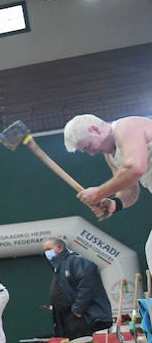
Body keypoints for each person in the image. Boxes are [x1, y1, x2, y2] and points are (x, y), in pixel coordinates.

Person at [64, 114, 152, 269]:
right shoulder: (111, 157)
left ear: (95, 129)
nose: (91, 153)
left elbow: (136, 167)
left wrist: (99, 193)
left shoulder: (126, 127)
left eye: (89, 146)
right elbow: (130, 191)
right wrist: (114, 203)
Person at [43, 237, 113, 343]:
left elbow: (86, 286)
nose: (45, 252)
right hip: (69, 316)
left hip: (78, 316)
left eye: (48, 248)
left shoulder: (75, 261)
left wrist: (77, 310)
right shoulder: (59, 266)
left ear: (59, 248)